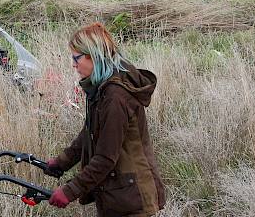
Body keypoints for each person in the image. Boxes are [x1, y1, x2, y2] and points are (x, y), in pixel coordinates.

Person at [44, 22, 165, 216]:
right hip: (120, 192)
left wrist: (69, 191)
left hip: (132, 198)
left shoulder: (115, 97)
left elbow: (106, 157)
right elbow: (89, 133)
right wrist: (61, 162)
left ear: (93, 55)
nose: (73, 64)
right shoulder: (102, 89)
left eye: (76, 58)